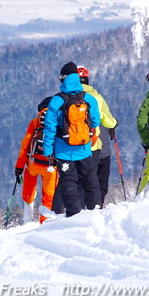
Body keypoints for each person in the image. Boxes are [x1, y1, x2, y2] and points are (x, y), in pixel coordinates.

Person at [42, 62, 101, 216]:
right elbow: (95, 121)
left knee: (69, 182)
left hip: (63, 152)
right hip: (84, 149)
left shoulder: (56, 101)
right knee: (90, 180)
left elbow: (49, 128)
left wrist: (48, 151)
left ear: (63, 78)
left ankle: (74, 215)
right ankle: (95, 210)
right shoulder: (88, 98)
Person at [14, 96, 64, 223]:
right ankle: (44, 224)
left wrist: (19, 167)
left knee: (29, 189)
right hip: (51, 166)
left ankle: (28, 218)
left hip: (33, 163)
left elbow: (25, 145)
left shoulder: (35, 122)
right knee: (48, 197)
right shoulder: (60, 120)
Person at [77, 66, 118, 206]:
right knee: (99, 180)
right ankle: (97, 206)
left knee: (82, 181)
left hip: (76, 147)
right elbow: (109, 120)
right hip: (99, 145)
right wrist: (114, 124)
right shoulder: (97, 97)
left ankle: (79, 208)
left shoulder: (67, 98)